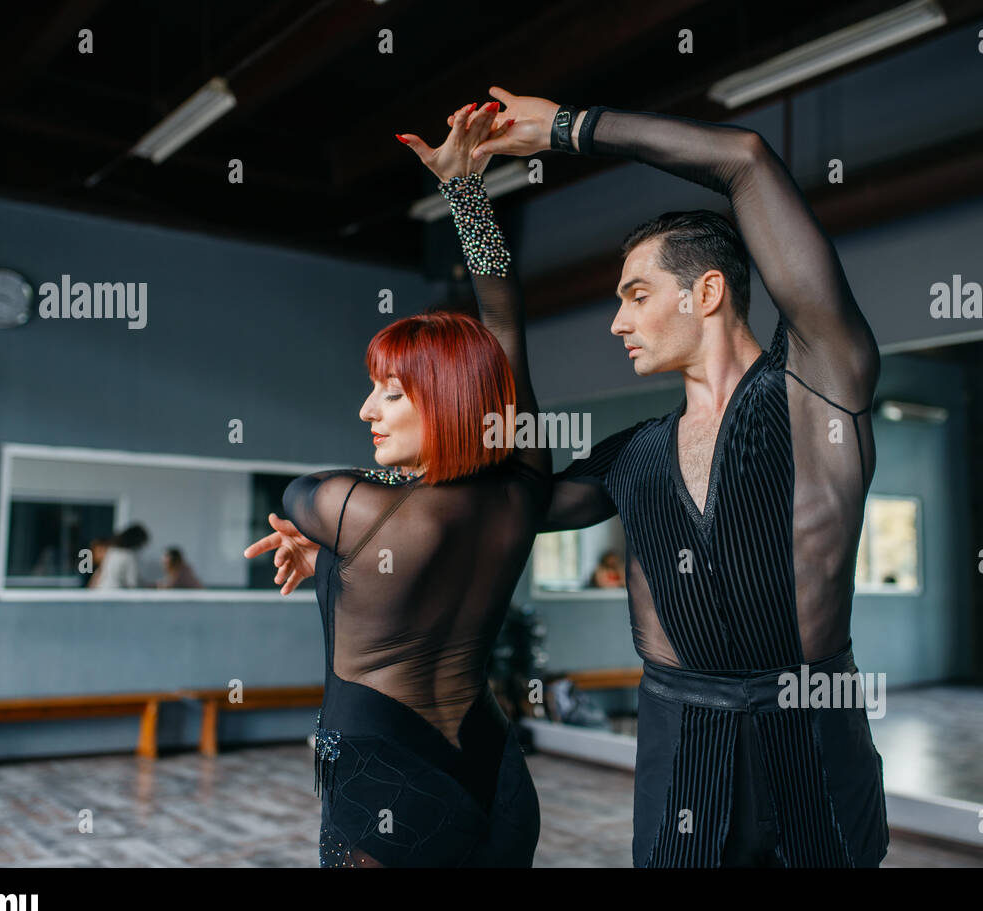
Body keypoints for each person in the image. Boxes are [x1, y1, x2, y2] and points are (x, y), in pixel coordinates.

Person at [469, 87, 888, 867]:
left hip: (813, 736)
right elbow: (515, 500)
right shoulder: (631, 454)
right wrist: (469, 206)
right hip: (680, 747)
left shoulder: (819, 388)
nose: (618, 321)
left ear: (707, 291)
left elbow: (746, 162)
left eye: (636, 294)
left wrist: (566, 129)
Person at [243, 101, 551, 867]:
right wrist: (468, 198)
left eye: (389, 392)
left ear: (445, 402)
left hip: (388, 785)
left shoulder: (355, 504)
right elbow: (504, 325)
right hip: (499, 778)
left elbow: (299, 493)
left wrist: (332, 532)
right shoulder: (521, 484)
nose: (366, 409)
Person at [91, 523, 148, 590]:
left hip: (101, 591)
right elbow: (133, 583)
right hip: (116, 594)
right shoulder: (128, 555)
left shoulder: (111, 552)